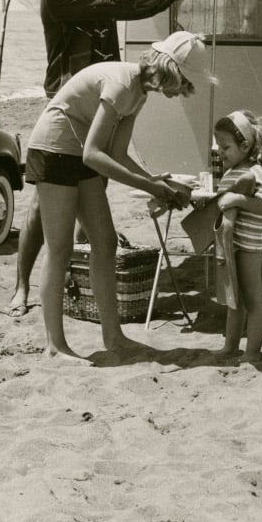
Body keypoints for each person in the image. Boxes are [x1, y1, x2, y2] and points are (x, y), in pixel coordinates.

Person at [7, 0, 208, 317]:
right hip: (68, 102)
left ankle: (74, 276)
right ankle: (22, 285)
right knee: (41, 205)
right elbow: (124, 4)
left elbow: (128, 0)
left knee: (91, 190)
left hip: (107, 96)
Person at [25, 31, 210, 361]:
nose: (179, 92)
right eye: (182, 83)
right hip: (53, 150)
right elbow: (94, 155)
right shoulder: (123, 84)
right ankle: (55, 346)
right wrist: (151, 187)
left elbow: (118, 154)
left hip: (77, 151)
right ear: (170, 69)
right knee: (60, 247)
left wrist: (154, 179)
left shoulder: (138, 92)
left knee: (105, 242)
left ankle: (113, 336)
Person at [210, 110, 262, 363]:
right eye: (218, 146)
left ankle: (252, 352)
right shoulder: (231, 172)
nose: (220, 151)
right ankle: (230, 346)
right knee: (233, 300)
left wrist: (238, 199)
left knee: (252, 301)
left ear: (244, 145)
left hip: (249, 247)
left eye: (225, 146)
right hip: (231, 246)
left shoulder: (255, 172)